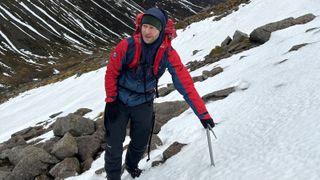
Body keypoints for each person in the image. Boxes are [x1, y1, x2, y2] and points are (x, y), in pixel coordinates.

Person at [104, 7, 215, 180]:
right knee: (114, 145)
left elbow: (185, 84)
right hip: (118, 100)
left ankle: (131, 166)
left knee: (140, 142)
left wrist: (203, 114)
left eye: (152, 28)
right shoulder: (127, 46)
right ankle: (112, 177)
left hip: (144, 101)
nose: (147, 32)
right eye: (145, 26)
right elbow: (111, 72)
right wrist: (111, 100)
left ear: (161, 30)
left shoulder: (168, 54)